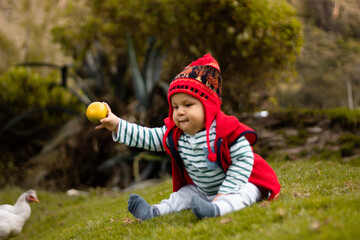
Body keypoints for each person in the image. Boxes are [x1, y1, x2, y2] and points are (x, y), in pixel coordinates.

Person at [96, 53, 281, 220]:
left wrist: (225, 193)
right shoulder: (176, 135)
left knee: (247, 193)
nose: (180, 112)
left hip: (238, 184)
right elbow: (148, 137)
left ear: (207, 106)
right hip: (202, 190)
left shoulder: (225, 131)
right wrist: (117, 124)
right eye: (175, 107)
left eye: (188, 105)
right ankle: (154, 212)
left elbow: (244, 160)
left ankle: (217, 209)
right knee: (182, 195)